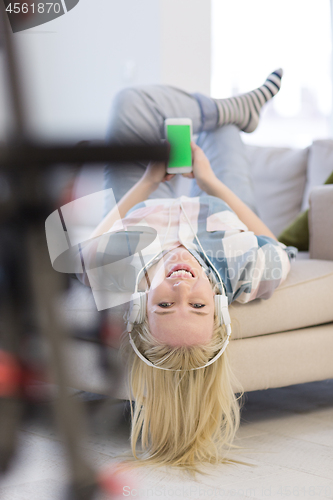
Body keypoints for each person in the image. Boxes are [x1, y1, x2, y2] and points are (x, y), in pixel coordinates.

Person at [79, 69, 297, 472]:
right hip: (220, 205)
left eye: (165, 304)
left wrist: (146, 182)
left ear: (142, 306)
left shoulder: (120, 275)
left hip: (148, 205)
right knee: (226, 131)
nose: (182, 284)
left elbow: (83, 252)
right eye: (197, 305)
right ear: (218, 307)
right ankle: (229, 112)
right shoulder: (247, 274)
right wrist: (212, 183)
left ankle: (220, 109)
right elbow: (279, 247)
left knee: (131, 102)